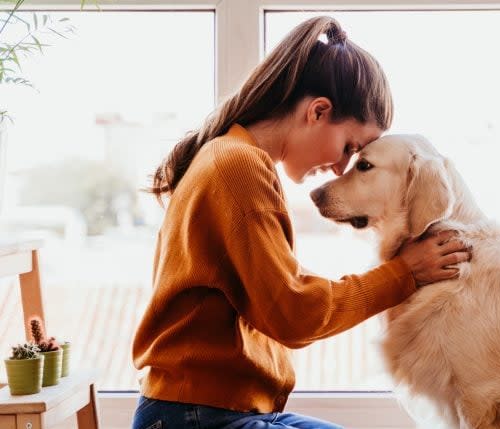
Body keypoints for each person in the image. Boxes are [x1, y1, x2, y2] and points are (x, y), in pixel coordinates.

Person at [130, 16, 470, 429]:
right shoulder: (237, 167)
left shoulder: (236, 157)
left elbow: (279, 290)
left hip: (211, 410)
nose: (340, 167)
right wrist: (403, 273)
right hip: (193, 416)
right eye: (349, 147)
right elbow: (292, 312)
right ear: (318, 111)